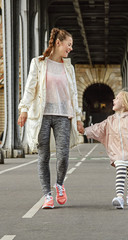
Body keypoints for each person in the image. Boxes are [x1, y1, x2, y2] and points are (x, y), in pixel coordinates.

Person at [17, 28, 84, 209]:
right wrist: (23, 109)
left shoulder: (68, 67)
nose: (70, 48)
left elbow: (74, 94)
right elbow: (30, 88)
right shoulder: (38, 63)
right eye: (68, 45)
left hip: (63, 115)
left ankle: (60, 185)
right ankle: (47, 195)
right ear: (58, 43)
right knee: (43, 156)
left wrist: (78, 117)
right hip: (42, 115)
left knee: (63, 155)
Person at [83, 91, 128, 209]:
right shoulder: (110, 120)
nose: (113, 100)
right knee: (120, 171)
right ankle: (119, 197)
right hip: (118, 153)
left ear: (124, 103)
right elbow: (99, 128)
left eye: (117, 98)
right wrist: (85, 131)